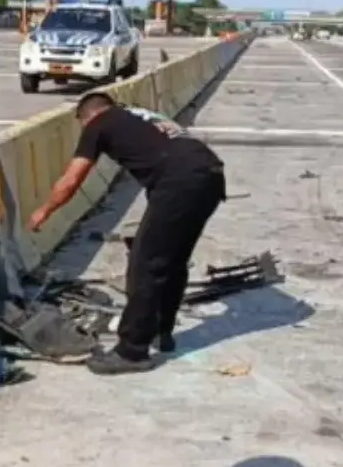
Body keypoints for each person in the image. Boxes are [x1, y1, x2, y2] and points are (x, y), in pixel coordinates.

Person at [28, 93, 226, 375]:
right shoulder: (140, 113)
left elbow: (73, 177)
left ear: (88, 116)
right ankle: (162, 331)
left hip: (179, 182)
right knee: (173, 258)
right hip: (210, 174)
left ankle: (132, 351)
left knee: (145, 264)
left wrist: (45, 210)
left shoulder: (99, 123)